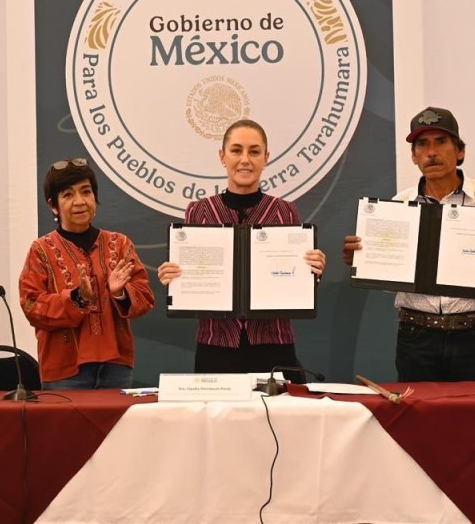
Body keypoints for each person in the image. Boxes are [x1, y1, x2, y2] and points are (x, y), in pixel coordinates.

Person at [342, 106, 475, 382]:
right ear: (414, 156)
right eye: (422, 144)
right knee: (420, 420)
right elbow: (391, 278)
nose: (432, 152)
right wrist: (363, 260)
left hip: (473, 333)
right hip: (416, 335)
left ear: (460, 150)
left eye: (441, 142)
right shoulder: (398, 206)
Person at [157, 119, 326, 379]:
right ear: (222, 156)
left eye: (254, 151)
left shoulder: (285, 211)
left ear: (266, 158)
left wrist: (312, 271)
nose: (245, 159)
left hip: (274, 344)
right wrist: (174, 277)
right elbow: (190, 277)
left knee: (281, 416)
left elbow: (297, 281)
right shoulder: (199, 211)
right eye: (236, 150)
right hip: (216, 345)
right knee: (218, 418)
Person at [19, 157, 154, 390]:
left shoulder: (120, 244)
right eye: (68, 195)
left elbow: (145, 297)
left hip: (116, 366)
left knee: (118, 428)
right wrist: (76, 298)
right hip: (64, 370)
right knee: (66, 428)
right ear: (53, 205)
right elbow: (31, 306)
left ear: (95, 197)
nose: (80, 201)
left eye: (86, 192)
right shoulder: (40, 250)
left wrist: (120, 293)